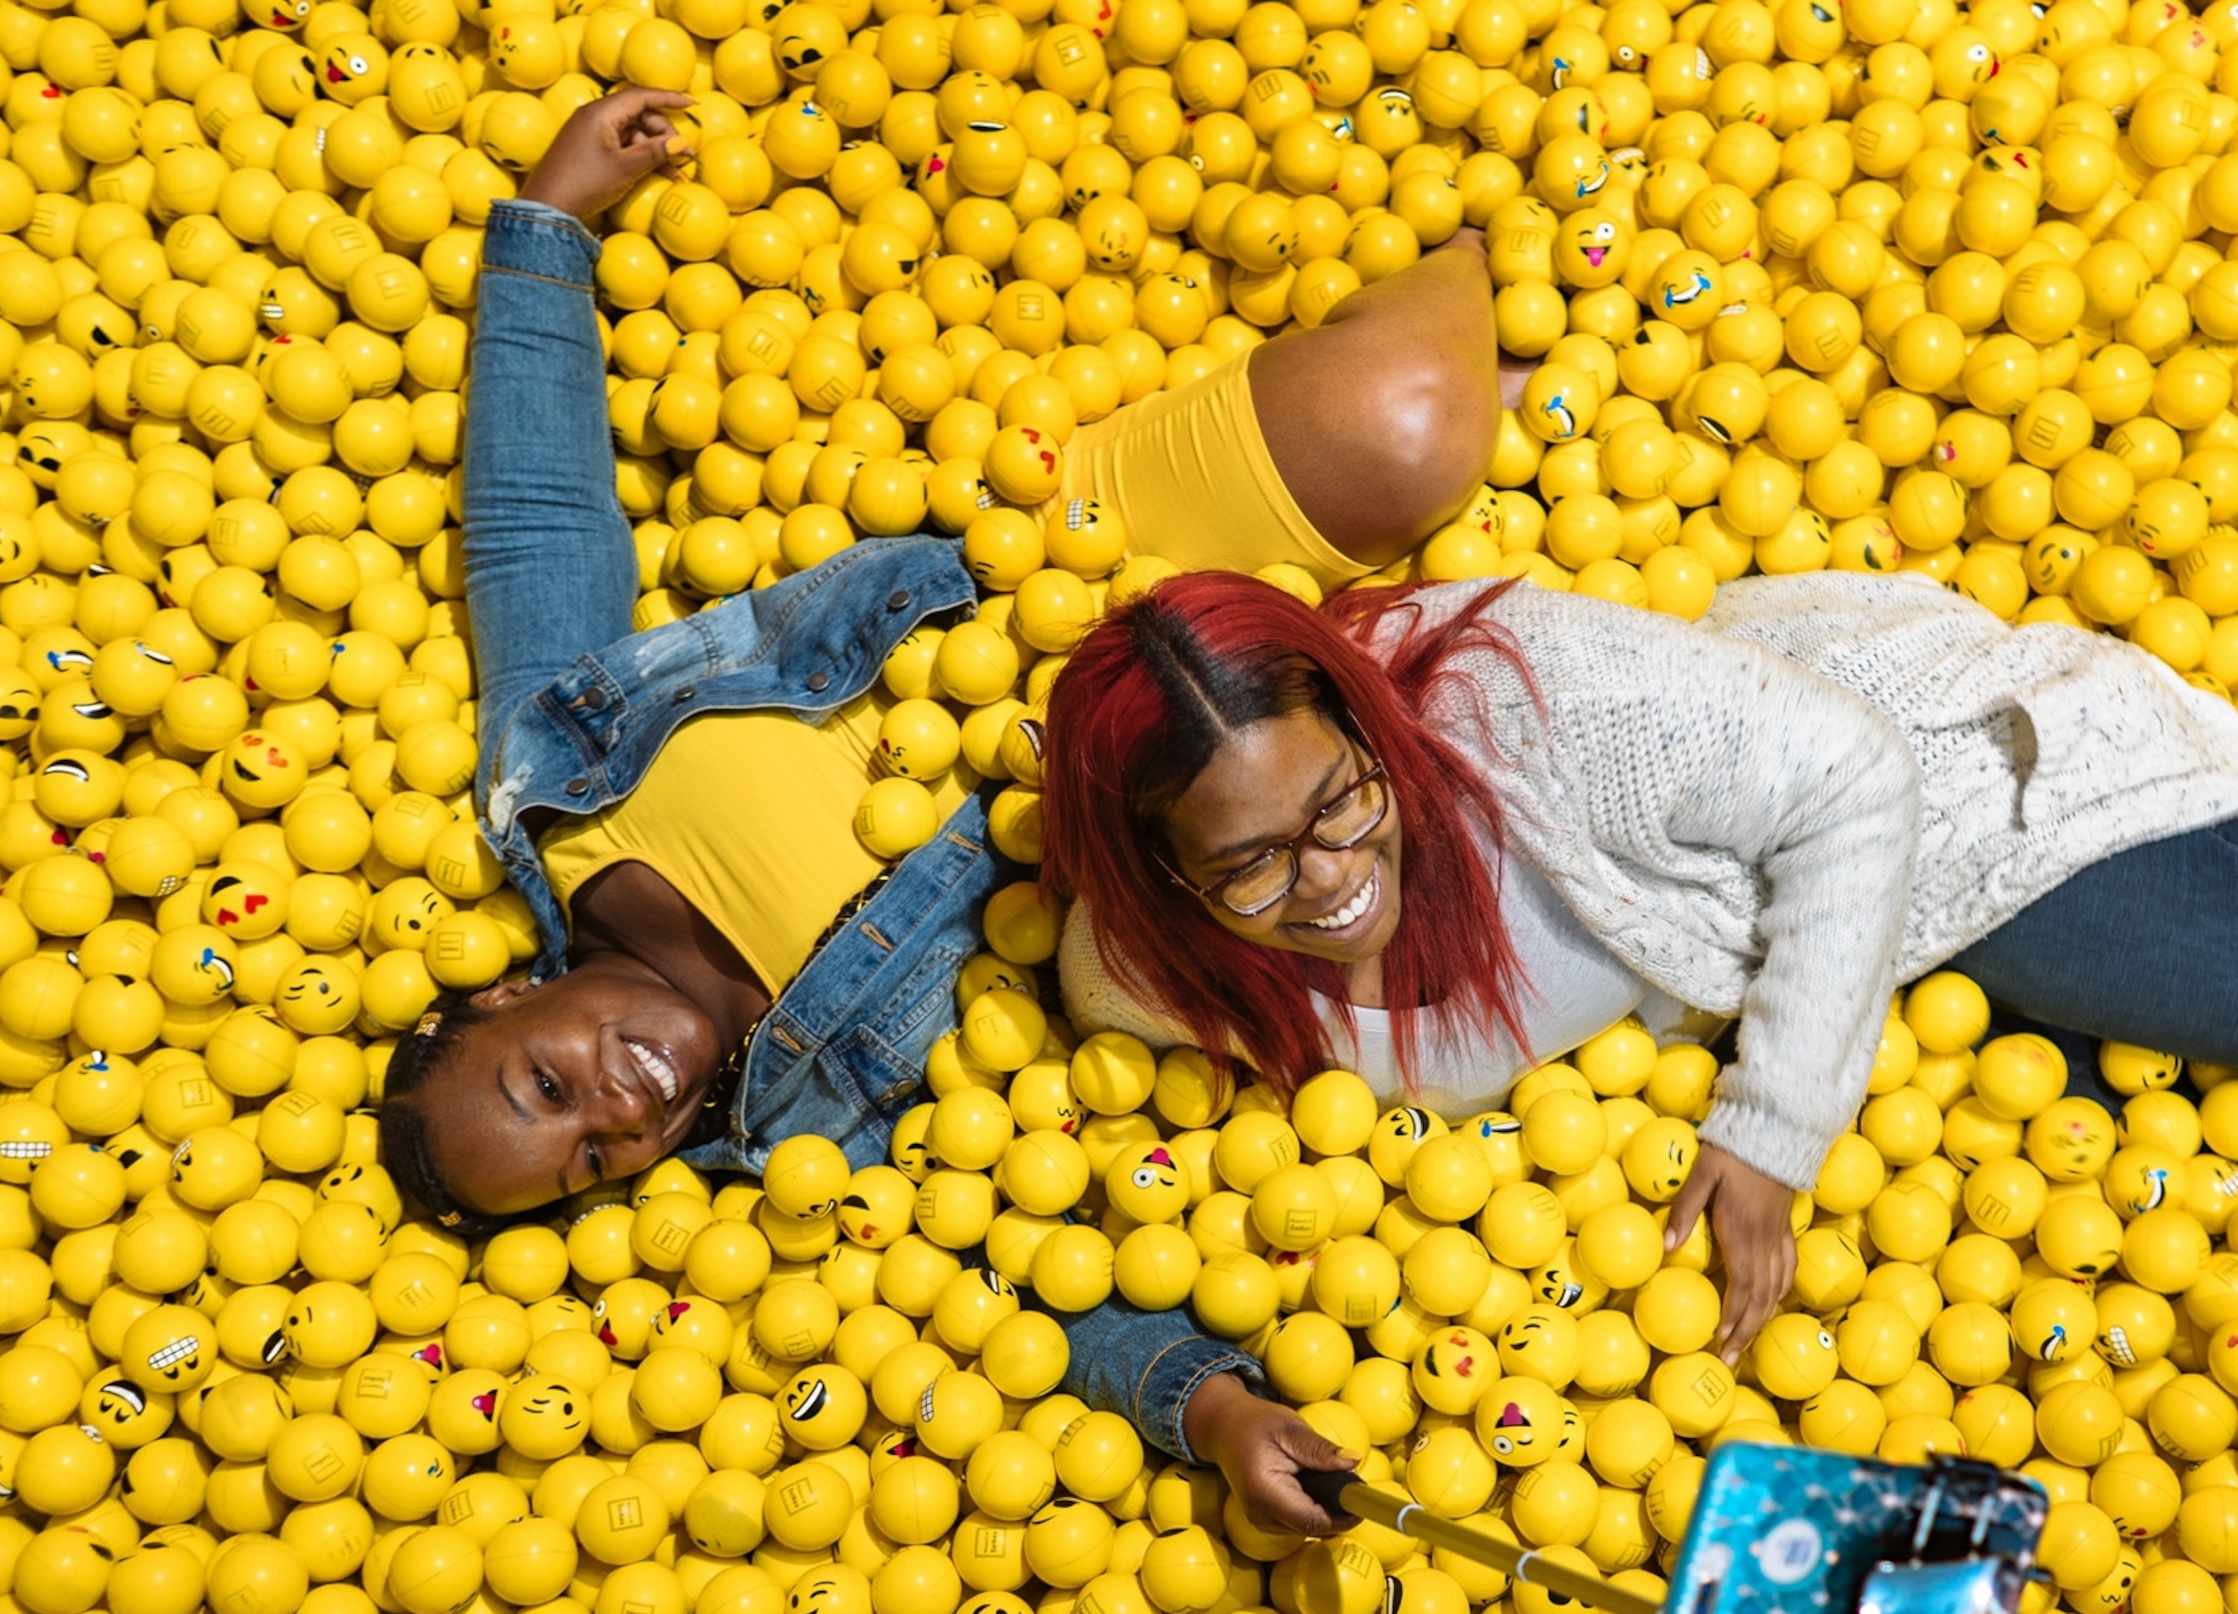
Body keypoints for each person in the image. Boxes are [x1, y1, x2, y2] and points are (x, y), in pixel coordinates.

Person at [381, 86, 1498, 1530]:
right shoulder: (808, 1142)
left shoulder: (560, 788)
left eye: (548, 1087)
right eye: (594, 1162)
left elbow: (537, 517)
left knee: (1403, 419)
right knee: (1436, 485)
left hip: (1051, 567)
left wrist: (549, 224)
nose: (619, 1109)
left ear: (482, 1008)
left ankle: (1491, 248)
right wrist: (1215, 1411)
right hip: (1210, 794)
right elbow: (1025, 1288)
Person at [1042, 570, 2238, 1364]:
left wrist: (1770, 1133)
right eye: (1248, 863)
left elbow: (1856, 780)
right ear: (1160, 875)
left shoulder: (1542, 711)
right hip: (1812, 1047)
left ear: (1376, 733)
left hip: (1944, 833)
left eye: (1342, 803)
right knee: (2135, 1191)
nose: (1326, 881)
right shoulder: (1142, 971)